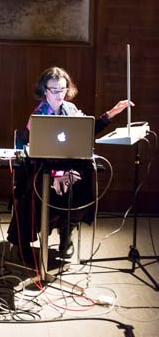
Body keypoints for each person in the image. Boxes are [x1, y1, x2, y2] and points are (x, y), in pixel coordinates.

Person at [8, 66, 132, 260]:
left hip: (68, 168)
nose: (59, 94)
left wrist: (112, 113)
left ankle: (66, 233)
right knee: (39, 190)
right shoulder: (38, 115)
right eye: (54, 90)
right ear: (44, 90)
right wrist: (57, 174)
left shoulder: (70, 108)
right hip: (44, 169)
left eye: (63, 89)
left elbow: (87, 133)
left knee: (83, 183)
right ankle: (25, 241)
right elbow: (36, 153)